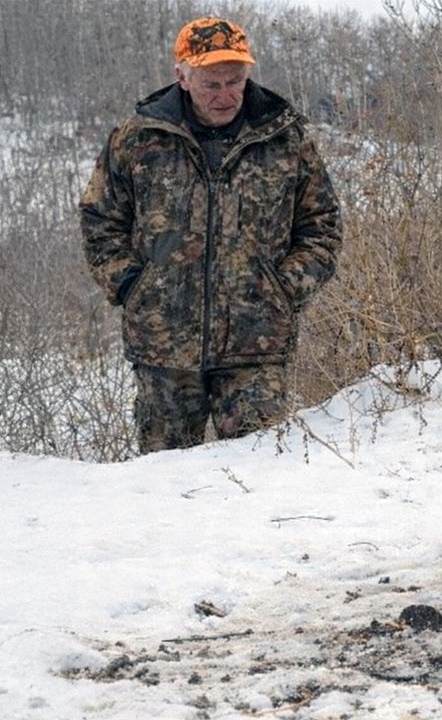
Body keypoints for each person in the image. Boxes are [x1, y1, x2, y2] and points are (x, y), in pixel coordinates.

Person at [80, 17, 343, 453]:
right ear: (181, 77)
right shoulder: (139, 138)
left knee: (258, 479)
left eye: (234, 81)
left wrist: (283, 288)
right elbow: (99, 219)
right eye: (211, 83)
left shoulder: (284, 137)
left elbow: (323, 225)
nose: (225, 95)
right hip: (164, 349)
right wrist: (132, 285)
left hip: (256, 347)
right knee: (163, 485)